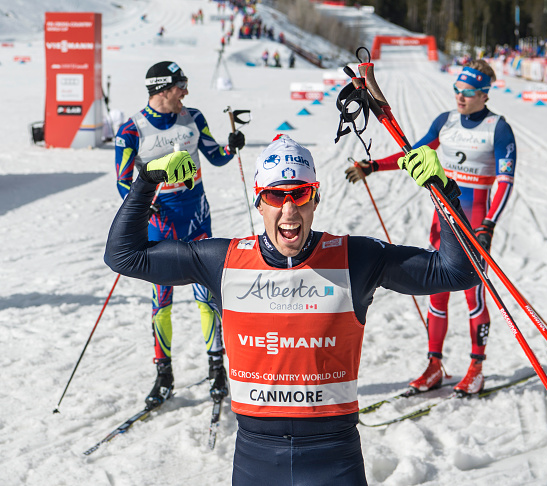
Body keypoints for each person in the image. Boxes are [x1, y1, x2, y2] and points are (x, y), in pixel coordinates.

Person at [105, 134, 478, 484]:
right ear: (259, 201)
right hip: (256, 460)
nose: (288, 211)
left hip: (334, 459)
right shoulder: (223, 260)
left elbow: (458, 271)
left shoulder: (356, 258)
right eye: (274, 195)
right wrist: (147, 181)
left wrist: (445, 194)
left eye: (299, 195)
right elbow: (123, 255)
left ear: (315, 198)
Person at [345, 59, 517, 395]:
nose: (460, 96)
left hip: (476, 227)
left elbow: (506, 180)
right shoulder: (446, 122)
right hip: (443, 225)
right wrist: (374, 166)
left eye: (467, 91)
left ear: (484, 94)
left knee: (473, 296)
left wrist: (489, 225)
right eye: (457, 89)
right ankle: (434, 364)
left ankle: (476, 367)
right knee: (435, 294)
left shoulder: (498, 128)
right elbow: (415, 152)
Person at [113, 61, 246, 409]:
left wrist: (232, 146)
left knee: (207, 299)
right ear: (161, 90)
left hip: (198, 222)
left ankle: (217, 370)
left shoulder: (194, 117)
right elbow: (122, 181)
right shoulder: (131, 130)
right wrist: (146, 202)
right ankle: (164, 376)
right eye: (180, 86)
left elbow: (215, 157)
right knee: (162, 303)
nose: (185, 92)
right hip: (161, 229)